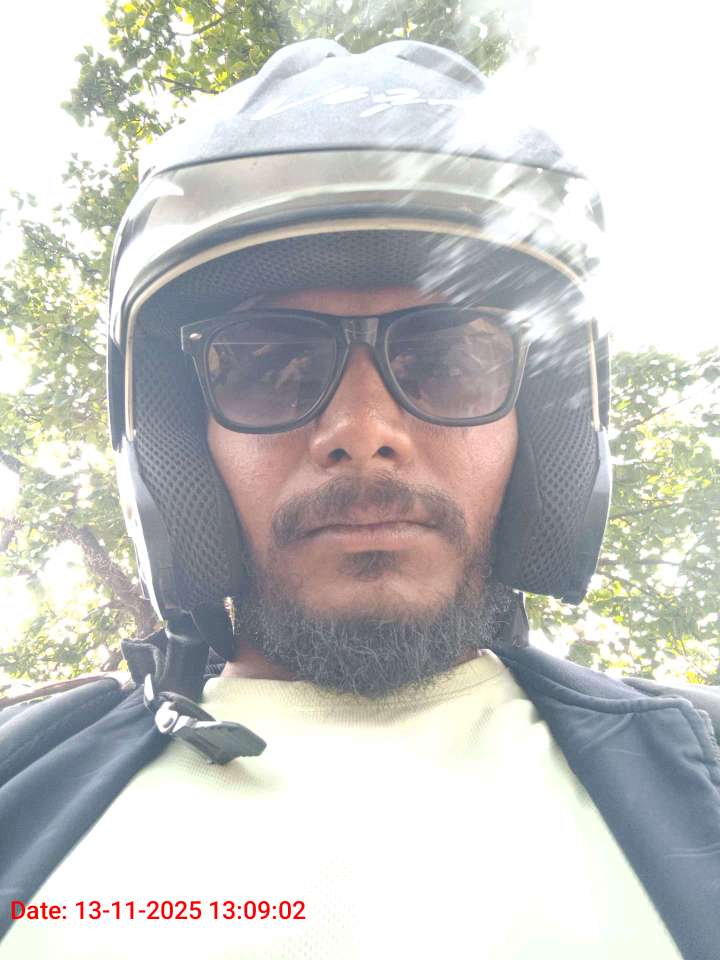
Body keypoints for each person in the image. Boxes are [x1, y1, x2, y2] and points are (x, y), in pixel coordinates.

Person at [1, 38, 719, 960]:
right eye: (269, 365)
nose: (364, 429)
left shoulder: (702, 769)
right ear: (182, 441)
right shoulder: (20, 783)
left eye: (450, 357)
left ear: (539, 430)